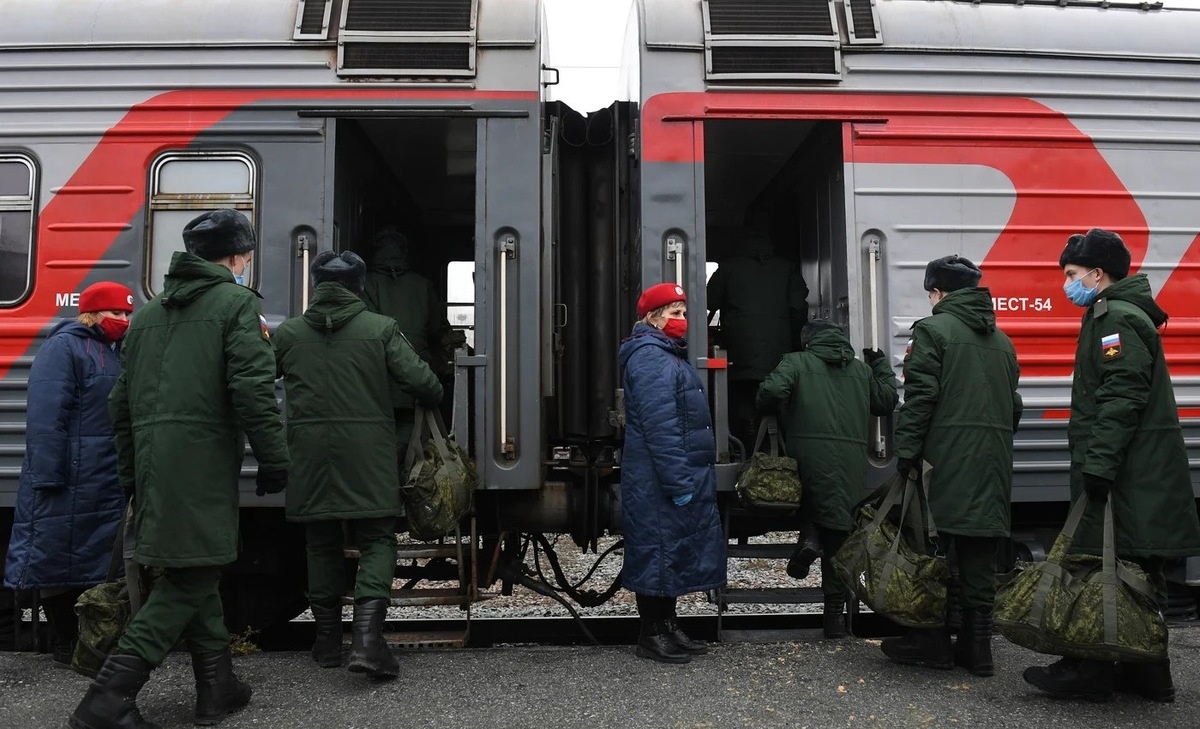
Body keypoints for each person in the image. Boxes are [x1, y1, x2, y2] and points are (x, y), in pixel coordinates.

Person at [68, 209, 290, 729]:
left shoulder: (146, 316)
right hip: (202, 465)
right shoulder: (237, 305)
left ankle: (218, 687)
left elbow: (119, 407)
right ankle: (106, 700)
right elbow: (253, 390)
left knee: (194, 570)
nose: (246, 265)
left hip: (154, 467)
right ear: (236, 257)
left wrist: (133, 475)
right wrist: (275, 459)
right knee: (188, 582)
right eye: (246, 256)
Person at [1022, 229, 1200, 702]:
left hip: (1126, 472)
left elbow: (1122, 396)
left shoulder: (1115, 317)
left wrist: (1099, 465)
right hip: (1136, 469)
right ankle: (1148, 673)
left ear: (1097, 274)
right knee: (1135, 569)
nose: (1067, 284)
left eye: (1072, 274)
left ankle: (1089, 670)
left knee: (1099, 564)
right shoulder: (1118, 313)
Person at [274, 250, 443, 679]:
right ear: (359, 286)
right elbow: (425, 383)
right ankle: (367, 641)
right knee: (377, 540)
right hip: (369, 453)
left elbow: (256, 379)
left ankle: (327, 643)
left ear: (316, 285)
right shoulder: (380, 329)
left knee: (320, 543)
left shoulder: (289, 334)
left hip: (308, 453)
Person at [881, 255, 1021, 678]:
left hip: (943, 459)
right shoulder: (1003, 341)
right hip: (992, 460)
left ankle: (932, 641)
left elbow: (921, 398)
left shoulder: (932, 331)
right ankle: (979, 649)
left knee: (929, 547)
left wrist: (907, 452)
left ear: (938, 293)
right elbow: (1013, 406)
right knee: (979, 550)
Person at [5, 282, 134, 665]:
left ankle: (87, 645)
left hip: (101, 477)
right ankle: (66, 642)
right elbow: (46, 415)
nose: (123, 320)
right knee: (57, 561)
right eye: (116, 313)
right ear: (92, 313)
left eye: (127, 314)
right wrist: (47, 475)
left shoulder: (112, 351)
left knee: (92, 564)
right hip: (68, 478)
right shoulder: (64, 347)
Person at [755, 320, 898, 638]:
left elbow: (772, 390)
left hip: (805, 454)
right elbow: (886, 400)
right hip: (850, 459)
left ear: (808, 343)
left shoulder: (796, 362)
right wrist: (880, 365)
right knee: (838, 531)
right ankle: (834, 618)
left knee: (810, 498)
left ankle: (808, 540)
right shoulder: (861, 371)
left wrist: (768, 407)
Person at [618, 282, 726, 664]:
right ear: (654, 317)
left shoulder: (663, 354)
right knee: (658, 551)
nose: (683, 320)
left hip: (663, 474)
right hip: (657, 478)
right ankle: (651, 634)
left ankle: (667, 626)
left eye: (683, 313)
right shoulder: (651, 358)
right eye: (675, 314)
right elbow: (661, 428)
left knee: (668, 550)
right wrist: (678, 481)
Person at [706, 230, 809, 453]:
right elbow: (798, 308)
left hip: (739, 356)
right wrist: (794, 343)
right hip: (780, 357)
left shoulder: (728, 268)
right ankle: (779, 456)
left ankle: (747, 452)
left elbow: (709, 301)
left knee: (743, 409)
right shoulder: (786, 268)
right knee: (781, 407)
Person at [362, 227, 454, 461]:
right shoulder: (422, 285)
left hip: (377, 383)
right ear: (404, 252)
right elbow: (436, 330)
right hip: (416, 379)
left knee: (377, 449)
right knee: (413, 448)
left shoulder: (365, 284)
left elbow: (364, 330)